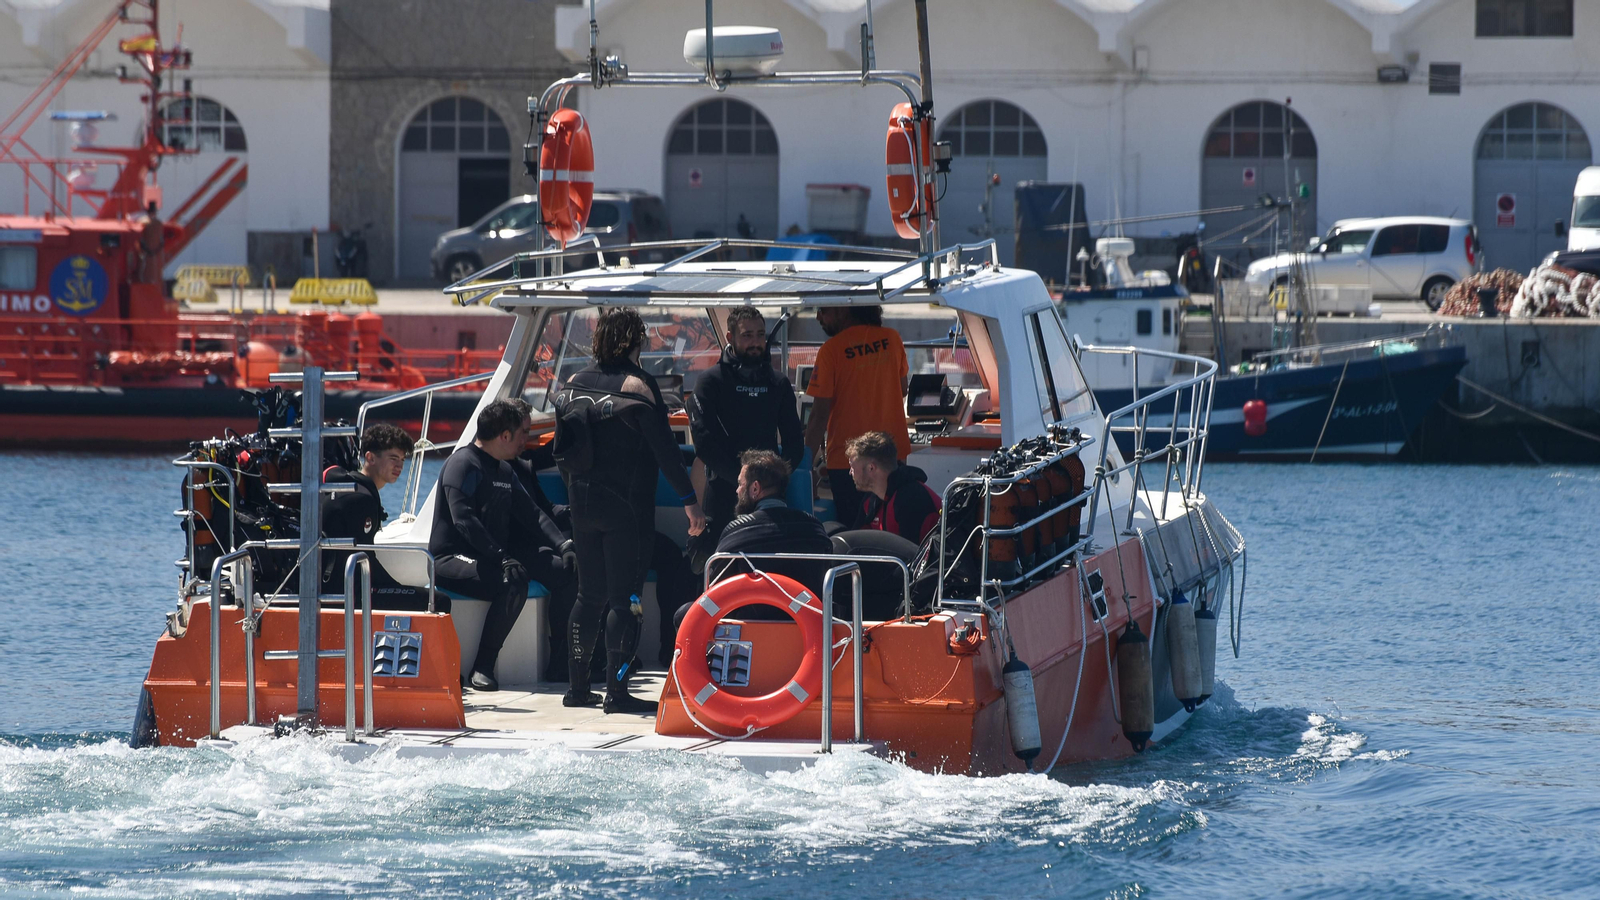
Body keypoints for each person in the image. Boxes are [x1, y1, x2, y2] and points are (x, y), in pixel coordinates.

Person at [554, 307, 706, 712]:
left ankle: (578, 689)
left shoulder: (572, 383)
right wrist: (690, 504)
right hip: (627, 508)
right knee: (626, 601)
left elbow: (562, 451)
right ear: (635, 339)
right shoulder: (639, 386)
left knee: (588, 597)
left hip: (581, 504)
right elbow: (666, 454)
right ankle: (617, 692)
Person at [430, 399, 576, 692]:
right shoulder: (463, 464)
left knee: (567, 569)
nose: (527, 440)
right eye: (521, 433)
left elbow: (534, 515)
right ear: (504, 436)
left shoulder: (504, 471)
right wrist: (501, 557)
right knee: (513, 582)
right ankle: (482, 667)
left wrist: (564, 546)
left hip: (493, 556)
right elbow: (464, 521)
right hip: (453, 557)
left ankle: (562, 661)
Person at [687, 305, 804, 571]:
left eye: (760, 335)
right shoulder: (710, 382)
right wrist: (743, 481)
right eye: (747, 335)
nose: (755, 342)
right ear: (730, 338)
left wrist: (771, 481)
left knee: (772, 571)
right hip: (725, 492)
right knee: (720, 573)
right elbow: (704, 443)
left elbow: (795, 444)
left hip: (770, 497)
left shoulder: (778, 384)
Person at [675, 450, 833, 634]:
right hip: (806, 631)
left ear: (755, 488)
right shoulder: (815, 529)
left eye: (740, 484)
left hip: (748, 633)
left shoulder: (738, 532)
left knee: (683, 614)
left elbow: (714, 591)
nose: (737, 490)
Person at [803, 304, 909, 526]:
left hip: (849, 464)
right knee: (892, 527)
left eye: (823, 310)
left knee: (855, 533)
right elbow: (903, 388)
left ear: (843, 309)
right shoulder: (892, 338)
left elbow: (819, 416)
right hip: (892, 457)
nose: (817, 317)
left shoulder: (831, 351)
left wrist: (803, 467)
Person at [321, 424, 439, 612]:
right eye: (393, 458)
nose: (400, 466)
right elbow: (366, 559)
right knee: (437, 601)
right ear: (370, 457)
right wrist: (398, 587)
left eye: (402, 459)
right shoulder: (361, 498)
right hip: (345, 591)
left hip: (338, 585)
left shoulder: (353, 488)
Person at [845, 430, 942, 545]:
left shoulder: (911, 499)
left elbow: (913, 554)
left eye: (852, 467)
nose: (850, 473)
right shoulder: (872, 499)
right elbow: (854, 540)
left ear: (871, 468)